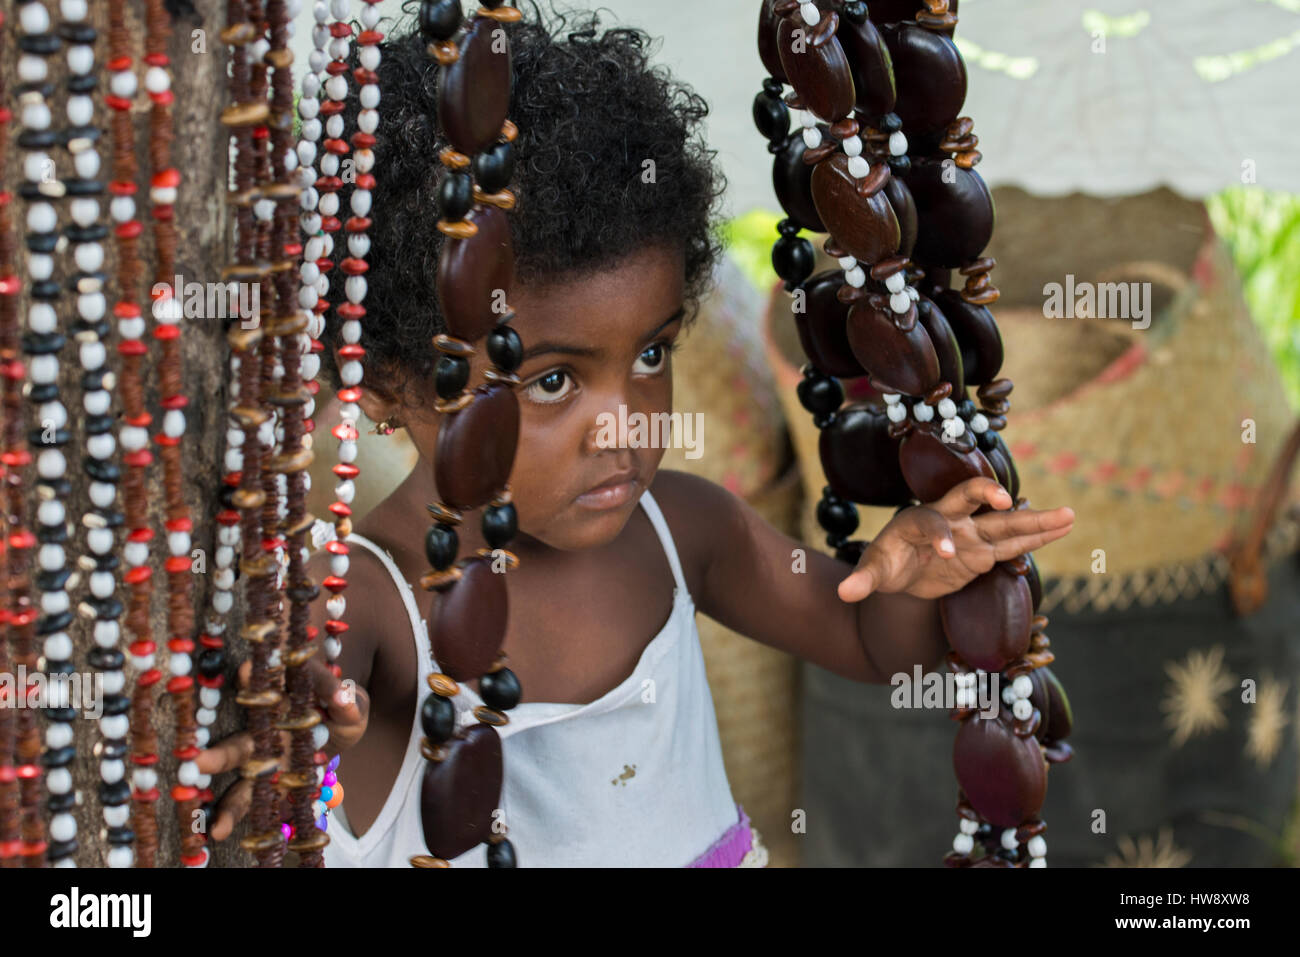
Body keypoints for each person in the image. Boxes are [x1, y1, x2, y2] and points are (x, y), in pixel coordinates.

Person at [196, 4, 1074, 867]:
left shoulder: (684, 528)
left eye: (652, 353)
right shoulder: (371, 595)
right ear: (392, 384)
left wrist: (911, 577)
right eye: (551, 380)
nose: (624, 425)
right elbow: (309, 682)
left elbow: (872, 645)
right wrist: (287, 713)